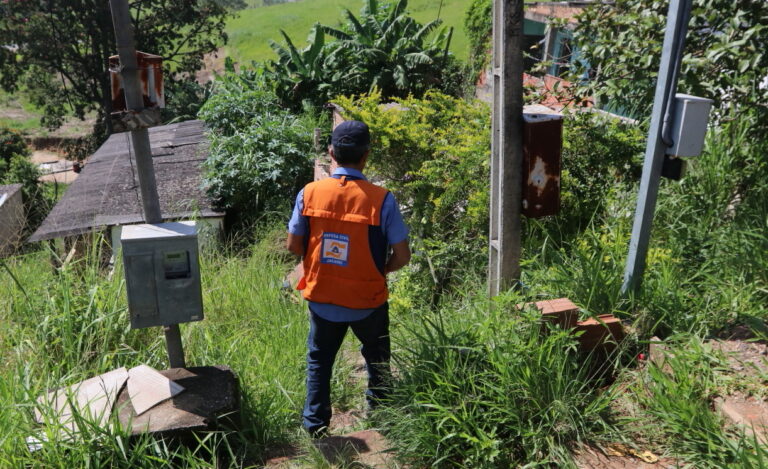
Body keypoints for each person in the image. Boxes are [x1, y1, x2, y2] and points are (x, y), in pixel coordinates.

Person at [286, 120, 411, 437]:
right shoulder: (382, 200)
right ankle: (382, 420)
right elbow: (403, 255)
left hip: (323, 297)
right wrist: (379, 271)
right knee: (378, 359)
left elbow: (293, 245)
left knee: (319, 361)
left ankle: (314, 427)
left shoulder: (310, 193)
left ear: (331, 153)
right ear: (366, 156)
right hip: (368, 300)